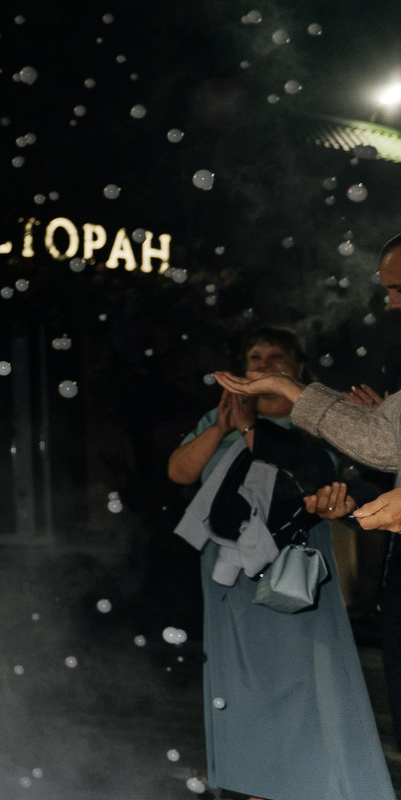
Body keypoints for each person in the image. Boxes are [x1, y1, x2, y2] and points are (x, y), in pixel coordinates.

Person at [172, 327, 390, 800]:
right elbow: (180, 471)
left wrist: (252, 428)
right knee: (239, 683)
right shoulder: (220, 416)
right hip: (227, 573)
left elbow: (314, 474)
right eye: (256, 357)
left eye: (277, 356)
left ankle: (307, 784)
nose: (265, 364)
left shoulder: (317, 415)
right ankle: (254, 786)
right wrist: (221, 428)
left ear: (299, 367)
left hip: (293, 566)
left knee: (300, 679)